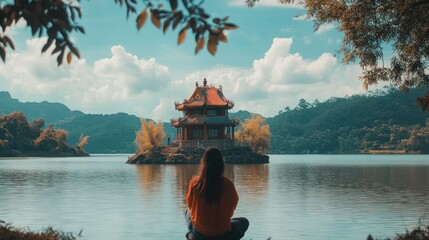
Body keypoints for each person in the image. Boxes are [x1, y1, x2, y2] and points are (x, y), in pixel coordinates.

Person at [185, 147, 249, 240]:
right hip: (223, 234)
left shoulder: (195, 182)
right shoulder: (228, 184)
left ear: (204, 162)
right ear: (221, 163)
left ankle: (191, 236)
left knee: (187, 211)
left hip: (200, 234)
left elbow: (190, 205)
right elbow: (232, 207)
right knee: (244, 222)